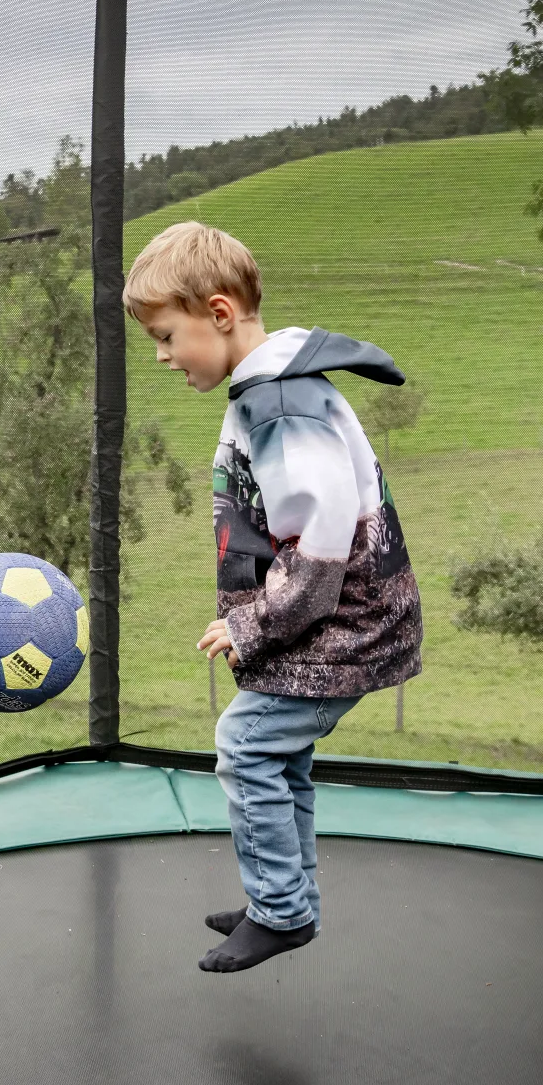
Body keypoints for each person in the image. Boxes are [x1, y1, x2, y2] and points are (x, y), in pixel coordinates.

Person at [123, 221, 423, 973]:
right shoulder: (269, 387)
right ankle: (283, 896)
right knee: (278, 754)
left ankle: (281, 910)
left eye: (165, 336)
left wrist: (252, 623)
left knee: (245, 744)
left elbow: (319, 550)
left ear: (219, 313)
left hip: (343, 627)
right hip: (340, 624)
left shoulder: (281, 403)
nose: (160, 357)